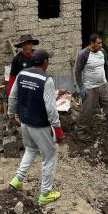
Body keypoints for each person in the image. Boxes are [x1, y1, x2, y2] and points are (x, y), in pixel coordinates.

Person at [8, 49, 65, 205]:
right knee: (50, 156)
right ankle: (45, 194)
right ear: (45, 62)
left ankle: (17, 179)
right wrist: (57, 128)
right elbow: (51, 108)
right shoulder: (46, 80)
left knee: (31, 149)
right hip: (39, 124)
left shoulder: (22, 74)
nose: (49, 62)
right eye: (48, 60)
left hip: (24, 121)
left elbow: (13, 96)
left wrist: (11, 113)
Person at [74, 33, 108, 138]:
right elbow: (77, 71)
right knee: (87, 110)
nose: (101, 45)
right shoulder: (83, 54)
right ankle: (81, 131)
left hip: (103, 84)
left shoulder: (102, 52)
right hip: (90, 87)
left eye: (101, 42)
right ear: (92, 43)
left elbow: (106, 66)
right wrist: (81, 87)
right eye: (98, 43)